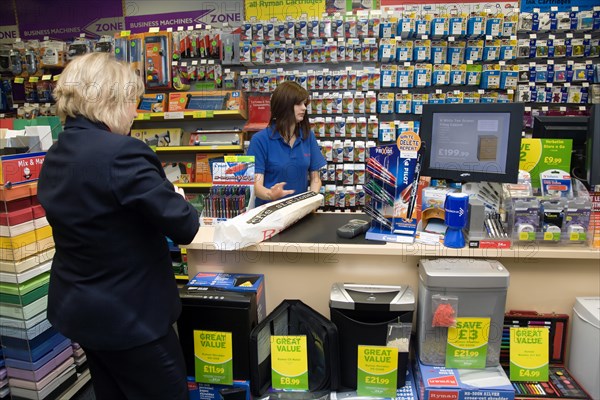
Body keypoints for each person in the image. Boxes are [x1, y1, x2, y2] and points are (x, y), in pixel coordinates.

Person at [37, 52, 199, 400]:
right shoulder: (122, 153)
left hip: (83, 313)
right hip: (132, 320)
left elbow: (101, 217)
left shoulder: (57, 151)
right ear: (110, 101)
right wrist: (174, 197)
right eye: (131, 102)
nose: (135, 112)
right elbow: (185, 226)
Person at [247, 81, 326, 206]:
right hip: (269, 214)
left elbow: (315, 178)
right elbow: (257, 185)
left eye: (304, 103)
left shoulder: (307, 136)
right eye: (298, 103)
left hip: (299, 213)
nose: (304, 108)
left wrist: (312, 200)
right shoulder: (260, 140)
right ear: (284, 106)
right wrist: (270, 194)